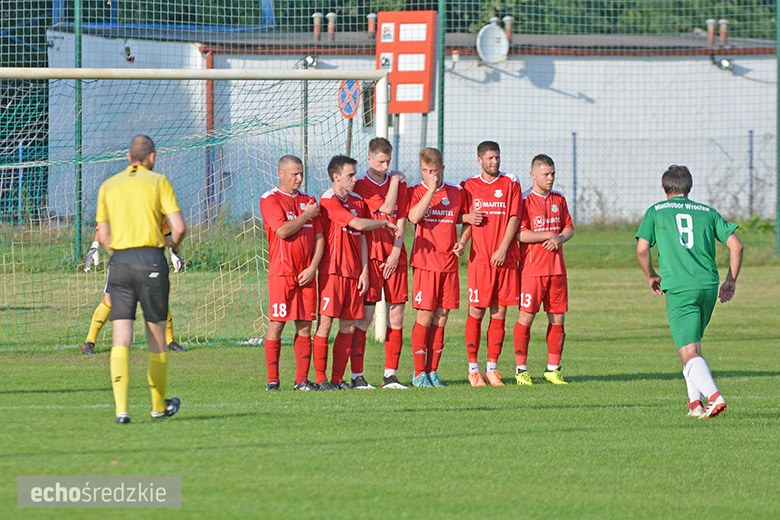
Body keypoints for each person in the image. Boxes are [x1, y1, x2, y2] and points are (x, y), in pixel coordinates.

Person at [635, 165, 742, 419]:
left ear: (664, 189)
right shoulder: (707, 212)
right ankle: (695, 405)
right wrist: (731, 281)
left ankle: (714, 398)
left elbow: (642, 249)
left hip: (680, 287)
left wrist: (651, 275)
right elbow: (736, 245)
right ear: (689, 188)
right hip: (707, 285)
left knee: (688, 351)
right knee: (693, 346)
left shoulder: (656, 211)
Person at [95, 135, 186, 424]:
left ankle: (122, 410)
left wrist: (121, 254)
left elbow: (104, 235)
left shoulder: (108, 186)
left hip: (119, 263)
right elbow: (179, 228)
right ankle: (158, 406)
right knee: (156, 337)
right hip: (151, 261)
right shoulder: (159, 181)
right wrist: (173, 245)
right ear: (152, 157)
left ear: (127, 156)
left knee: (121, 337)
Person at [314, 155, 400, 390]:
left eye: (354, 174)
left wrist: (363, 271)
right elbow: (358, 224)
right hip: (331, 272)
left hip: (353, 273)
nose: (354, 179)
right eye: (350, 175)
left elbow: (362, 238)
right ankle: (320, 378)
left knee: (349, 327)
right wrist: (384, 223)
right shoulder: (328, 199)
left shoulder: (357, 200)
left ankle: (337, 379)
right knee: (325, 324)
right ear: (336, 177)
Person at [458, 141, 522, 387]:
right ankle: (473, 369)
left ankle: (492, 369)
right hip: (480, 261)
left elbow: (515, 217)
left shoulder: (511, 182)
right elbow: (465, 219)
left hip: (505, 258)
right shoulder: (469, 185)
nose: (495, 162)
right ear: (480, 160)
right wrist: (463, 241)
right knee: (476, 311)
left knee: (500, 312)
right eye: (490, 158)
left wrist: (504, 247)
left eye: (497, 157)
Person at [260, 155, 324, 392]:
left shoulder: (309, 200)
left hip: (306, 274)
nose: (299, 178)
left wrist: (313, 267)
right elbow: (283, 231)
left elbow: (319, 237)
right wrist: (307, 215)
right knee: (277, 324)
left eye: (301, 173)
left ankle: (301, 381)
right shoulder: (270, 199)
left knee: (305, 326)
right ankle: (273, 381)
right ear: (281, 173)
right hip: (282, 273)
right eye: (295, 174)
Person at [352, 137, 409, 389]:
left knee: (396, 317)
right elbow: (387, 210)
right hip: (373, 256)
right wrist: (395, 180)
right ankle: (357, 376)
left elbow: (403, 217)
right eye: (381, 161)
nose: (386, 167)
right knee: (364, 318)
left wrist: (396, 252)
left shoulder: (401, 184)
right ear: (369, 158)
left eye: (388, 161)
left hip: (395, 256)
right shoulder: (362, 184)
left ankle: (390, 376)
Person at [407, 147, 467, 387]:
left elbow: (467, 218)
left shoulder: (456, 192)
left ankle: (432, 372)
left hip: (449, 265)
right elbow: (413, 217)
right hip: (425, 264)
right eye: (424, 170)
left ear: (442, 168)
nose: (428, 174)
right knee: (425, 315)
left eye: (433, 171)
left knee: (441, 319)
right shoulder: (416, 191)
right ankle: (418, 373)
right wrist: (430, 189)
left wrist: (463, 242)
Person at [512, 154, 575, 386]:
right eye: (546, 174)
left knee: (558, 318)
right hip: (531, 270)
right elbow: (519, 234)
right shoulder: (524, 200)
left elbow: (569, 228)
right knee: (526, 318)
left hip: (557, 270)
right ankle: (521, 370)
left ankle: (553, 369)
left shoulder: (559, 199)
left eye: (553, 174)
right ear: (533, 175)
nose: (550, 178)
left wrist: (559, 238)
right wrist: (547, 235)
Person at [82, 223, 186, 354]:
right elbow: (103, 225)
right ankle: (89, 342)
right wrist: (95, 246)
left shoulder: (153, 204)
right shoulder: (118, 203)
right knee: (110, 300)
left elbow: (165, 229)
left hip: (148, 260)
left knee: (158, 298)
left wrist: (172, 252)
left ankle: (170, 340)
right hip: (123, 261)